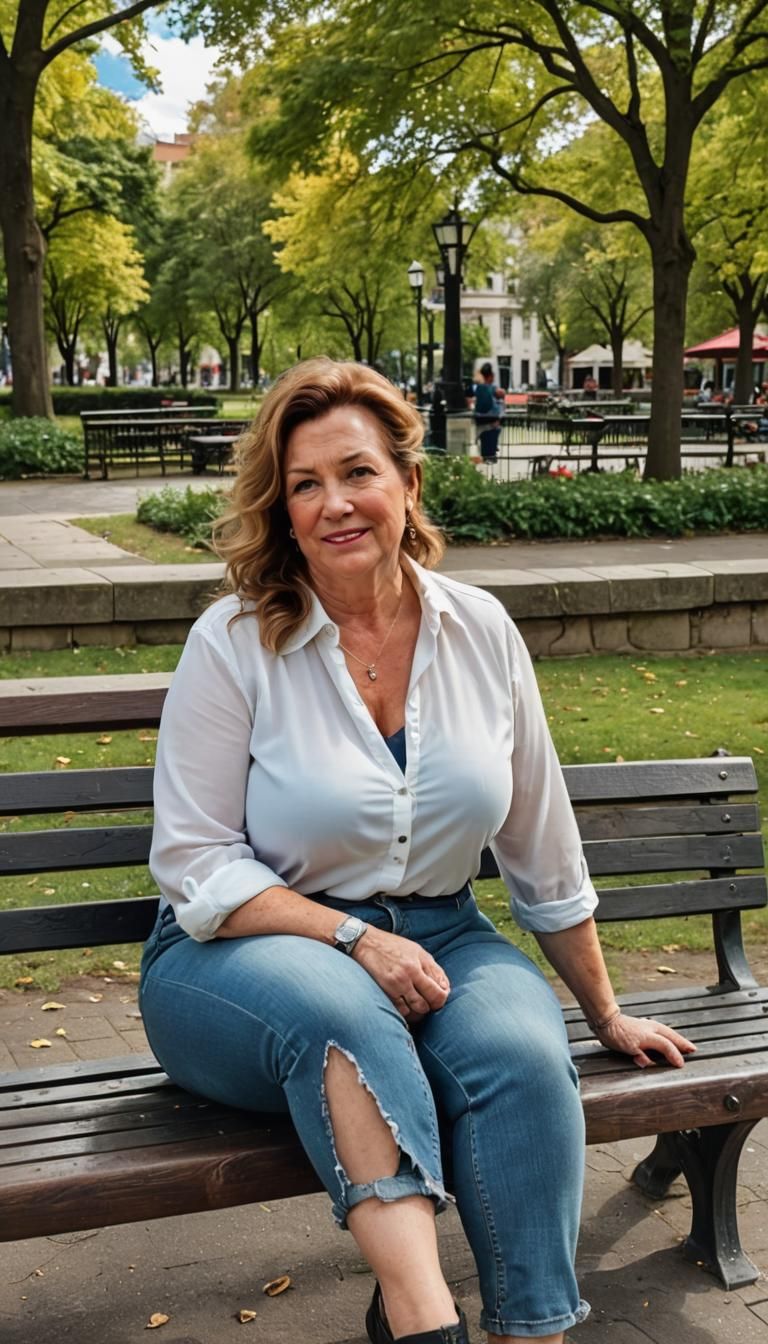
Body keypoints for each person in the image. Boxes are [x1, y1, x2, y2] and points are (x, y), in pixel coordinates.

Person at [139, 358, 695, 1344]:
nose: (333, 504)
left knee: (526, 1059)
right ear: (281, 507)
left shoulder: (478, 631)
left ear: (407, 481)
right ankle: (421, 1316)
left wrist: (604, 1012)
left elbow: (541, 845)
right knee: (339, 1012)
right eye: (303, 484)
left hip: (443, 934)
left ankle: (532, 1329)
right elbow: (195, 864)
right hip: (236, 955)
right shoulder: (233, 641)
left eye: (356, 473)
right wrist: (355, 941)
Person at [472, 362, 504, 461]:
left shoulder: (477, 388)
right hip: (491, 420)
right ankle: (491, 454)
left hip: (479, 419)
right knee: (493, 435)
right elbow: (501, 396)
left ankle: (486, 455)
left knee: (483, 443)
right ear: (490, 376)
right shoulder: (493, 389)